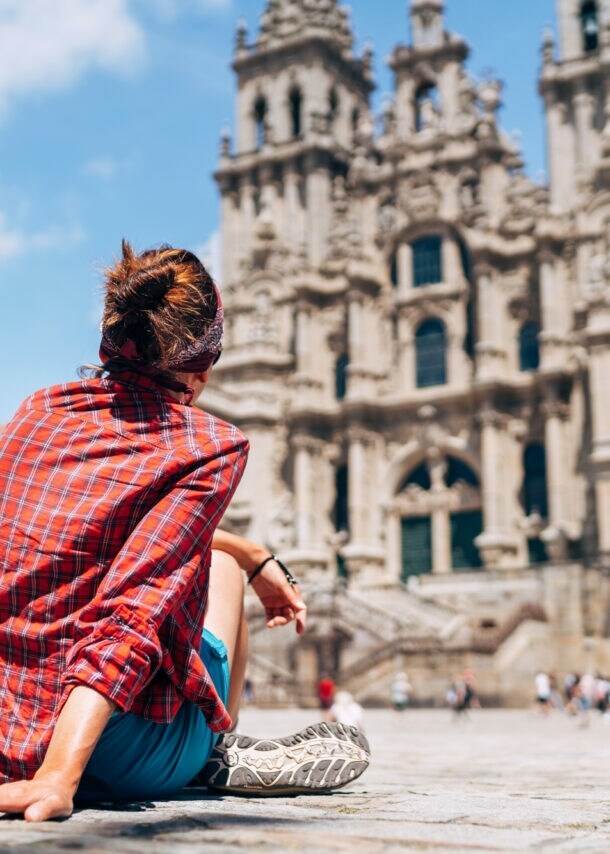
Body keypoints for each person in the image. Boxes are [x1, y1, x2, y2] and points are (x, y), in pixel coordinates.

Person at [0, 241, 370, 822]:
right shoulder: (208, 446)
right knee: (217, 568)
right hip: (109, 755)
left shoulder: (34, 413)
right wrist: (57, 776)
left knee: (219, 555)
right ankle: (211, 749)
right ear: (200, 369)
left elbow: (82, 545)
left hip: (5, 729)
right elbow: (131, 611)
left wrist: (249, 548)